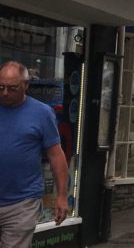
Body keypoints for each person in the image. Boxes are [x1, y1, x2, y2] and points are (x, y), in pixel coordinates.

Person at [0, 61, 68, 247]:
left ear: (26, 86)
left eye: (12, 88)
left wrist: (62, 196)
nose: (5, 93)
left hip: (22, 202)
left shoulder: (42, 113)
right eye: (1, 87)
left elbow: (56, 155)